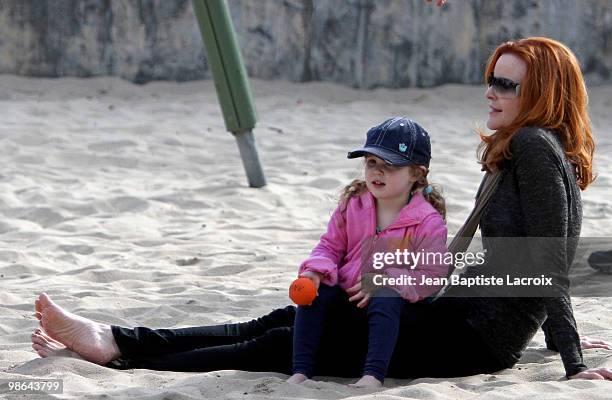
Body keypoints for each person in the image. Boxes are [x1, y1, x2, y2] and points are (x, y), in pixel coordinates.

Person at [32, 36, 612, 384]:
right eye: (492, 77)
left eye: (506, 85)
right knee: (279, 322)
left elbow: (548, 263)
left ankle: (117, 352)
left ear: (542, 94)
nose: (491, 90)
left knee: (273, 347)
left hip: (468, 341)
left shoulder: (535, 148)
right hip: (451, 317)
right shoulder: (520, 149)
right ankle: (114, 337)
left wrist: (572, 359)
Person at [289, 117, 449, 387]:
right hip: (350, 293)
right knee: (315, 294)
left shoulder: (427, 221)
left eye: (390, 166)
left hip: (395, 304)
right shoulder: (354, 204)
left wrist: (390, 278)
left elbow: (432, 276)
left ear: (416, 174)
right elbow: (330, 245)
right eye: (372, 163)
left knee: (386, 297)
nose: (377, 172)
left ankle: (373, 375)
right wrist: (314, 271)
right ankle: (301, 370)